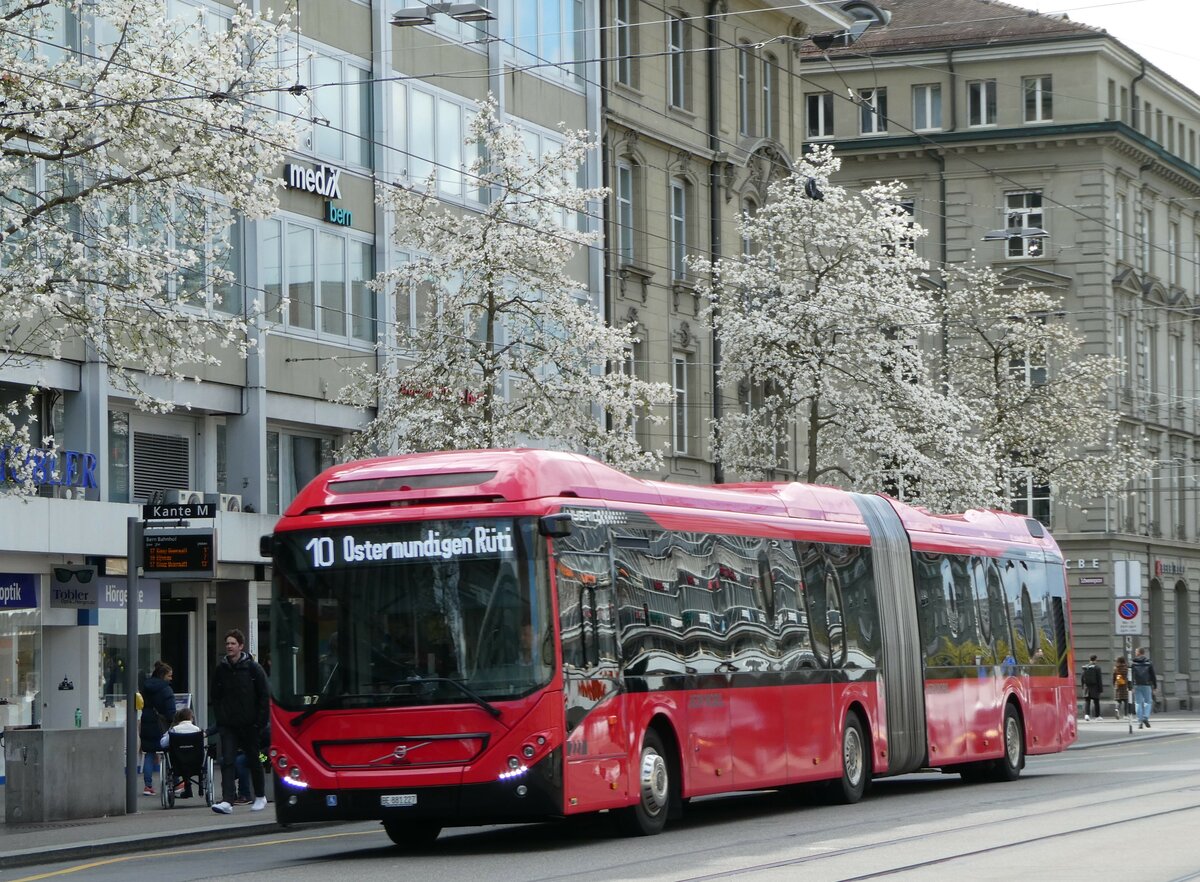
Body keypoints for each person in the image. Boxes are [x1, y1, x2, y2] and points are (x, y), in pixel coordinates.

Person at [210, 629, 270, 815]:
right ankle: (228, 800)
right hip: (228, 725)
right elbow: (216, 696)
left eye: (233, 643)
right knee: (228, 761)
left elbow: (264, 696)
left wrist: (259, 722)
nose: (229, 646)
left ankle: (260, 796)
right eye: (227, 643)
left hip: (249, 724)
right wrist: (221, 719)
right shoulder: (221, 669)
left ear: (241, 646)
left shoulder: (253, 668)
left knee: (254, 759)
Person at [138, 661, 175, 796]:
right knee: (168, 750)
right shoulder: (166, 689)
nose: (171, 679)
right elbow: (171, 711)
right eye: (169, 676)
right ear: (163, 675)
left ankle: (148, 786)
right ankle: (174, 781)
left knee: (149, 752)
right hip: (161, 723)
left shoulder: (145, 686)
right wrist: (171, 721)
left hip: (147, 719)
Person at [159, 707, 202, 798]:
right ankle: (193, 788)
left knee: (177, 758)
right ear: (191, 717)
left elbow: (163, 744)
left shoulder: (174, 730)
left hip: (177, 763)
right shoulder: (197, 730)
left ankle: (186, 788)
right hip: (196, 762)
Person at [1131, 646, 1158, 729]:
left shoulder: (1133, 663)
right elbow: (1153, 675)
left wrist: (1130, 685)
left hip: (1137, 684)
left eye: (1136, 652)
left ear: (1138, 653)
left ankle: (1140, 721)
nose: (1135, 653)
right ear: (1144, 653)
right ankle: (1145, 717)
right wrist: (1155, 686)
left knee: (1138, 702)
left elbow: (1130, 675)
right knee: (1148, 702)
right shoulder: (1148, 662)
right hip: (1147, 684)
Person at [1080, 654, 1103, 721]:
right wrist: (1100, 689)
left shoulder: (1085, 667)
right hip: (1095, 688)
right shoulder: (1097, 668)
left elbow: (1082, 678)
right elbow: (1099, 679)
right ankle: (1097, 716)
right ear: (1095, 660)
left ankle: (1087, 715)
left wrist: (1083, 687)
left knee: (1087, 701)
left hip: (1087, 688)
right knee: (1096, 702)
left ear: (1089, 660)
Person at [1112, 656, 1130, 720]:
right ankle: (1125, 715)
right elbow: (1128, 677)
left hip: (1118, 685)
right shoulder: (1126, 668)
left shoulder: (1116, 668)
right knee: (1126, 701)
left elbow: (1114, 677)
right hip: (1125, 685)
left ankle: (1117, 709)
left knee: (1118, 700)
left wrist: (1114, 684)